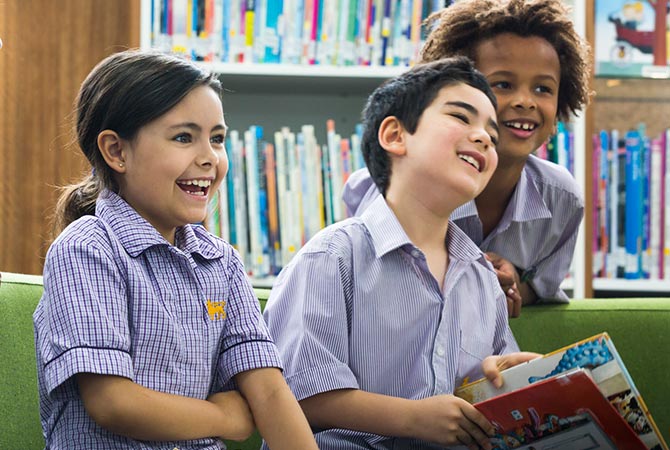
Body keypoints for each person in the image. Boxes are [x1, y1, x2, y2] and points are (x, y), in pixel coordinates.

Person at [33, 49, 318, 450]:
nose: (209, 158)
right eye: (183, 137)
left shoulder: (222, 262)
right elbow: (114, 403)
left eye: (216, 139)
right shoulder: (87, 249)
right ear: (116, 152)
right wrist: (224, 417)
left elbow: (269, 392)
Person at [263, 56, 539, 450]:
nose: (483, 138)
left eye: (492, 138)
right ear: (395, 135)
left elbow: (488, 393)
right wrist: (412, 417)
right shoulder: (331, 258)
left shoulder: (482, 278)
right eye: (461, 118)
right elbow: (293, 394)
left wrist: (503, 378)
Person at [343, 0, 592, 317]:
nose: (525, 102)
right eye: (502, 84)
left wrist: (514, 283)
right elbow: (368, 285)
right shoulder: (395, 181)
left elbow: (542, 288)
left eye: (543, 88)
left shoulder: (562, 198)